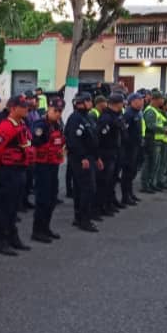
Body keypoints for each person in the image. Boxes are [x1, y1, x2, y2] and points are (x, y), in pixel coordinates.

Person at [0, 95, 34, 255]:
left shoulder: (22, 124)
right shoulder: (6, 126)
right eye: (22, 107)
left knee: (14, 207)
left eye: (26, 106)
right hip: (8, 171)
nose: (26, 109)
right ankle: (2, 242)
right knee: (5, 208)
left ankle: (13, 237)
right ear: (13, 108)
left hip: (20, 170)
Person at [30, 98, 65, 242]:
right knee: (42, 199)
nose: (57, 114)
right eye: (55, 111)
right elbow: (36, 142)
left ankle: (46, 227)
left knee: (52, 198)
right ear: (49, 109)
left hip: (53, 164)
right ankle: (37, 231)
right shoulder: (40, 124)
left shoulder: (57, 125)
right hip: (42, 165)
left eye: (60, 111)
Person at [65, 93, 99, 232]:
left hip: (90, 157)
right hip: (80, 158)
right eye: (88, 101)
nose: (91, 103)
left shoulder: (88, 117)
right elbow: (74, 141)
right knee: (87, 188)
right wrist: (83, 157)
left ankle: (79, 218)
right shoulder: (75, 118)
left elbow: (92, 139)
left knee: (82, 189)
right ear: (80, 103)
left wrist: (97, 158)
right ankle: (84, 220)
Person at [95, 93, 125, 216]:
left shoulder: (117, 116)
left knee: (112, 180)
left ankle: (109, 203)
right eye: (122, 103)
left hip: (115, 151)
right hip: (106, 153)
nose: (123, 105)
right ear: (117, 104)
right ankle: (101, 206)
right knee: (104, 181)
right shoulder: (106, 117)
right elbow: (100, 137)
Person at [140, 91, 167, 193]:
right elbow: (151, 126)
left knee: (156, 163)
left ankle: (151, 183)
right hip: (151, 140)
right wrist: (164, 130)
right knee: (150, 163)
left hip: (157, 140)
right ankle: (146, 184)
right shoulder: (150, 111)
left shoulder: (156, 110)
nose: (163, 101)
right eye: (161, 99)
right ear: (155, 99)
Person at [118, 93, 144, 206]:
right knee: (127, 173)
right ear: (133, 101)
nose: (142, 102)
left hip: (136, 147)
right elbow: (124, 132)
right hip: (128, 148)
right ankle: (125, 196)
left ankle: (130, 193)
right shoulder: (128, 114)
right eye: (139, 100)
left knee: (133, 171)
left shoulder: (137, 113)